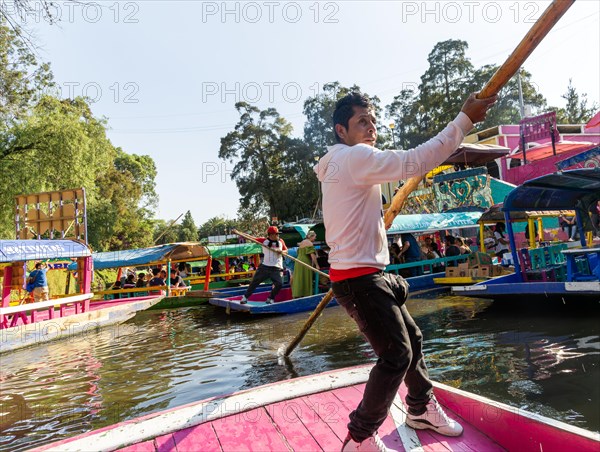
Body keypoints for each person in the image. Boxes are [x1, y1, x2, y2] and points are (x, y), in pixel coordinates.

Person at [315, 91, 495, 450]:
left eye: (373, 121)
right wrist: (465, 119)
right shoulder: (355, 157)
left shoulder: (338, 163)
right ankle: (359, 438)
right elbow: (417, 160)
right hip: (359, 279)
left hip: (366, 275)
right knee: (396, 355)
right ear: (341, 130)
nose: (371, 128)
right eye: (361, 122)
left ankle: (419, 408)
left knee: (412, 340)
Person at [240, 226, 288, 305]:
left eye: (277, 234)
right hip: (265, 267)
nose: (278, 236)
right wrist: (238, 232)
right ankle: (245, 297)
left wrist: (281, 251)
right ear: (271, 235)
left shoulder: (281, 241)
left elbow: (286, 250)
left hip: (276, 267)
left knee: (279, 284)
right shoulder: (263, 241)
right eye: (276, 234)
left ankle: (271, 298)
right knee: (254, 282)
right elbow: (251, 238)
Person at [291, 230, 320, 298]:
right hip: (305, 262)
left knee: (299, 278)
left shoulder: (302, 242)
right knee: (305, 278)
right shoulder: (309, 243)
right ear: (311, 236)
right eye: (315, 237)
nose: (315, 238)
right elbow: (312, 255)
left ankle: (298, 294)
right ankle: (306, 294)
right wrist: (317, 265)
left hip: (298, 262)